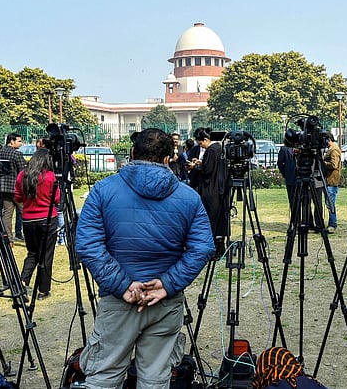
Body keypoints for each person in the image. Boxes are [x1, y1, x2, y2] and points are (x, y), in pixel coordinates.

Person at [75, 129, 214, 387]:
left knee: (104, 376)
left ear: (132, 153)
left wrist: (123, 285)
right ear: (168, 159)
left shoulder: (103, 190)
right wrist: (167, 284)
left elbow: (88, 245)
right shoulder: (188, 197)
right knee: (155, 379)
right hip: (164, 301)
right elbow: (202, 248)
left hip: (119, 300)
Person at [14, 148, 59, 300]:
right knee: (46, 255)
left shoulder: (22, 175)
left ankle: (23, 281)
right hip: (47, 219)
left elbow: (18, 197)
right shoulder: (50, 176)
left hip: (28, 220)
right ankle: (43, 289)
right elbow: (57, 199)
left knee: (32, 253)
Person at [189, 127, 229, 244]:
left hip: (211, 188)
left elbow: (208, 171)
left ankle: (214, 243)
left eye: (201, 143)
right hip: (218, 187)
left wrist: (194, 167)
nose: (200, 146)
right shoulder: (218, 148)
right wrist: (202, 163)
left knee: (211, 217)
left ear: (206, 139)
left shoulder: (211, 150)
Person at [0, 133, 27, 243]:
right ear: (11, 141)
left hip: (4, 188)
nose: (21, 143)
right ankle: (29, 237)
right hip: (17, 189)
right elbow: (24, 171)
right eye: (19, 141)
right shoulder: (17, 154)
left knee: (7, 214)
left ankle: (8, 239)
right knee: (25, 213)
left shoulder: (0, 152)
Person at [323, 133, 342, 234]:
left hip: (331, 180)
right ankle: (332, 222)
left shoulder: (334, 149)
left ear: (329, 139)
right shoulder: (331, 148)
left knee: (330, 204)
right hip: (329, 180)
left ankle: (332, 224)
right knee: (329, 203)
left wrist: (322, 163)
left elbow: (334, 165)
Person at [277, 140, 298, 208]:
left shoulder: (300, 148)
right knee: (292, 201)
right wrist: (285, 174)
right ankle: (295, 218)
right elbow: (280, 163)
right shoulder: (284, 149)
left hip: (300, 176)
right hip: (290, 178)